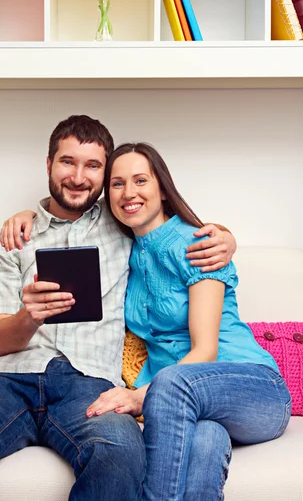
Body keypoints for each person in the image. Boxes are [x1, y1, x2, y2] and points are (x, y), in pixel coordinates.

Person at [0, 116, 236, 501]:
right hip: (5, 379)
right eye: (68, 162)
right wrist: (27, 317)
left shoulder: (123, 225)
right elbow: (1, 342)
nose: (78, 177)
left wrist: (226, 237)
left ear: (105, 176)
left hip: (88, 383)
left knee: (119, 449)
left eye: (93, 166)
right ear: (49, 165)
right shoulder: (10, 239)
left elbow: (168, 225)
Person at [83, 142, 291, 501]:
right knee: (206, 442)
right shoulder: (125, 256)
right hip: (192, 409)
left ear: (162, 189)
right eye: (117, 184)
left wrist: (137, 398)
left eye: (140, 180)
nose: (128, 193)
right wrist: (26, 216)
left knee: (171, 383)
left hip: (256, 391)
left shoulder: (198, 244)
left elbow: (206, 350)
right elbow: (67, 218)